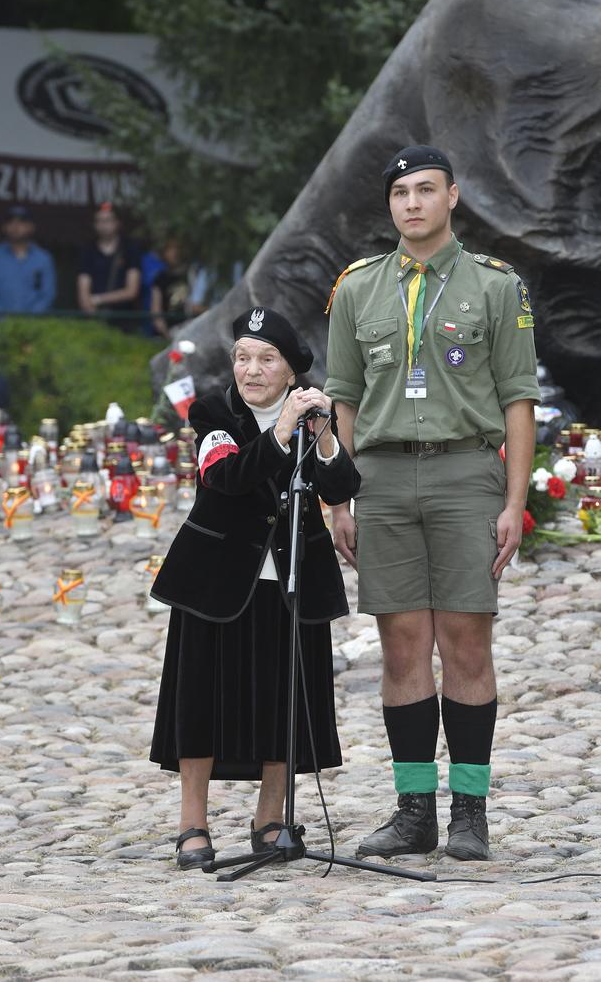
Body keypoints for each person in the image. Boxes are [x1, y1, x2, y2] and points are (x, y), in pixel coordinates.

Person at [325, 145, 540, 861]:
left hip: (465, 475)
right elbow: (344, 400)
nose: (411, 203)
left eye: (425, 189)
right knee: (402, 648)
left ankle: (470, 816)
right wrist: (338, 498)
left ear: (453, 196)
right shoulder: (358, 288)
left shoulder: (495, 285)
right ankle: (414, 810)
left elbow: (518, 400)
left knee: (467, 645)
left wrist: (514, 502)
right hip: (382, 480)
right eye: (399, 193)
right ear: (389, 206)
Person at [149, 306, 360, 869]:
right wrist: (282, 431)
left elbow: (342, 485)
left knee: (283, 699)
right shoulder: (213, 412)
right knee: (200, 700)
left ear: (292, 371)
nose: (252, 370)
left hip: (292, 580)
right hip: (215, 581)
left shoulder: (313, 412)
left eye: (267, 359)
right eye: (243, 357)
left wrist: (325, 438)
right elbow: (226, 478)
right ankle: (192, 823)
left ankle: (271, 817)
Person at [0, 206, 56, 315]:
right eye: (11, 222)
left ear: (31, 227)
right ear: (4, 227)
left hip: (34, 325)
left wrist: (27, 320)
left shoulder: (43, 258)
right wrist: (2, 318)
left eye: (21, 222)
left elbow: (47, 295)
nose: (15, 226)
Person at [77, 203, 141, 328]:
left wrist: (98, 299)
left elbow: (131, 291)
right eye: (99, 221)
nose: (103, 225)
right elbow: (83, 289)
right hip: (95, 321)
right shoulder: (88, 250)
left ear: (117, 223)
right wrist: (90, 310)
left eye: (108, 220)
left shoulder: (129, 249)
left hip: (125, 320)